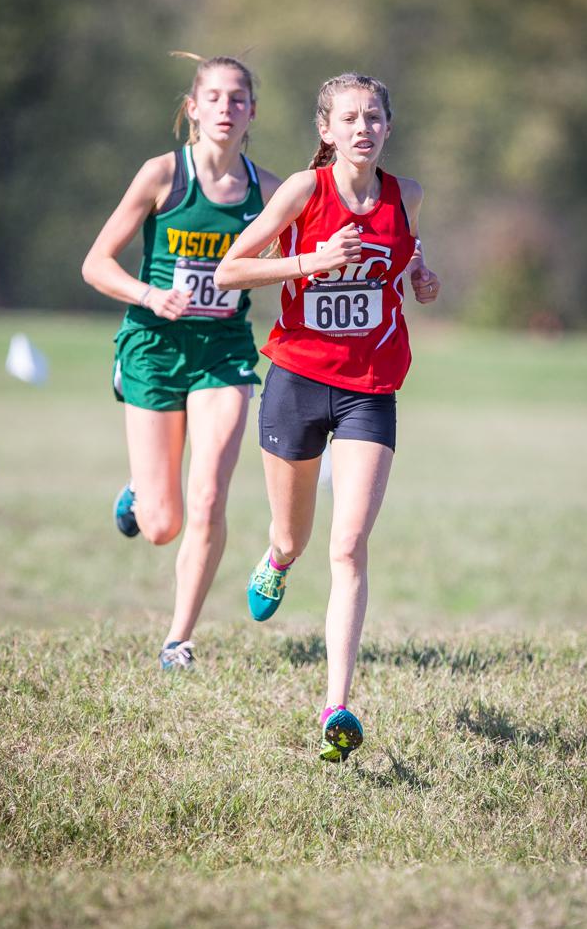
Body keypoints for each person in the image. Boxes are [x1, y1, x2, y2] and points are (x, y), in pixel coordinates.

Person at [215, 72, 440, 761]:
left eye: (374, 116)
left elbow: (407, 253)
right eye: (349, 118)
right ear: (326, 130)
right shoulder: (304, 193)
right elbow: (230, 269)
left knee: (349, 547)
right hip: (296, 382)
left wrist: (421, 277)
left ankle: (337, 706)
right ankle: (277, 558)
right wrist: (312, 258)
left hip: (371, 386)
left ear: (388, 127)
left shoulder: (408, 196)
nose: (363, 128)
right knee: (298, 536)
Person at [82, 53, 280, 671]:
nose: (226, 108)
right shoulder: (162, 175)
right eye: (214, 98)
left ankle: (178, 640)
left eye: (238, 99)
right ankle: (141, 491)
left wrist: (410, 264)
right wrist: (149, 294)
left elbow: (318, 251)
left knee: (209, 495)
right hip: (154, 347)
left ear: (251, 114)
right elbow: (96, 263)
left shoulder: (268, 190)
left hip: (224, 352)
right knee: (162, 523)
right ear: (193, 109)